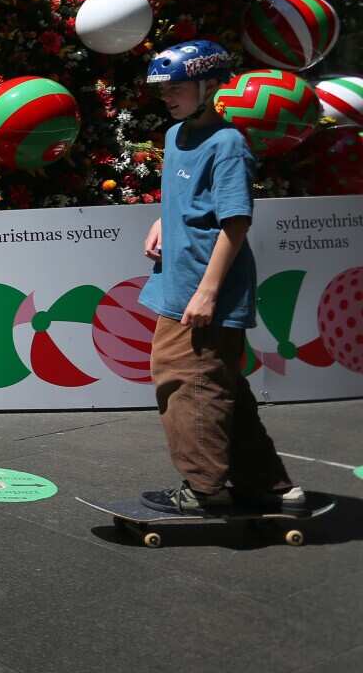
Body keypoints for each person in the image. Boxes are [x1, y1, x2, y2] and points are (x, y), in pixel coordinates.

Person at [138, 40, 304, 515]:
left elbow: (235, 222)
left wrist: (208, 293)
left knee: (185, 382)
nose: (167, 96)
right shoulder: (176, 136)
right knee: (220, 382)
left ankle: (203, 488)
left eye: (177, 87)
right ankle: (269, 485)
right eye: (162, 89)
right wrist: (162, 220)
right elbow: (189, 201)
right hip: (176, 278)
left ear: (210, 85)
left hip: (204, 289)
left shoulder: (227, 144)